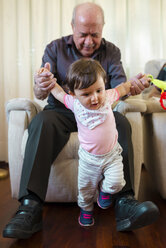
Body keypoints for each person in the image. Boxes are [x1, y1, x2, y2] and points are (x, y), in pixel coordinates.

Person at [3, 2, 159, 239]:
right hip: (63, 113)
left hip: (100, 114)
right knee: (42, 122)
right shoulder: (54, 48)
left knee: (122, 123)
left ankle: (125, 203)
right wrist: (40, 85)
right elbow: (44, 92)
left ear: (103, 29)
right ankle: (30, 206)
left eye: (94, 35)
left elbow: (119, 88)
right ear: (72, 27)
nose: (88, 41)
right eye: (83, 34)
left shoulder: (112, 52)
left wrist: (132, 87)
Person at [48, 57, 137, 226]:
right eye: (86, 94)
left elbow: (123, 88)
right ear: (74, 94)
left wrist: (133, 83)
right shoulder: (75, 104)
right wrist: (49, 80)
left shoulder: (108, 97)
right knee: (85, 190)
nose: (95, 98)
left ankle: (105, 191)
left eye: (99, 90)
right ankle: (86, 210)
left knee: (117, 182)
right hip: (89, 160)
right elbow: (59, 93)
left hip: (112, 155)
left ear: (104, 86)